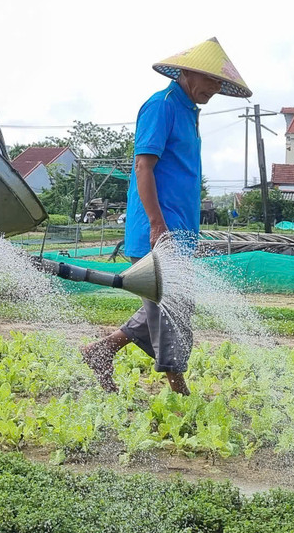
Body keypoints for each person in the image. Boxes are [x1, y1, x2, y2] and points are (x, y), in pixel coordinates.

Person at [80, 38, 250, 397]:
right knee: (174, 309)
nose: (215, 90)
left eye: (221, 84)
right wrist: (158, 224)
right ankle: (178, 387)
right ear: (188, 73)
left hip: (178, 233)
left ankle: (102, 350)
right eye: (211, 81)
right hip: (157, 231)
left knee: (165, 305)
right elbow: (143, 166)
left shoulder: (189, 111)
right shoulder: (162, 106)